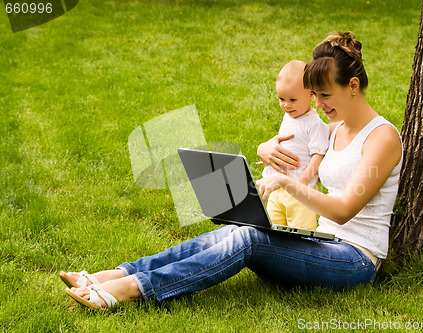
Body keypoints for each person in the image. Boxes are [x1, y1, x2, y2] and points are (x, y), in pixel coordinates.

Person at [60, 31, 403, 310]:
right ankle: (116, 274)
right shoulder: (333, 129)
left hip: (355, 260)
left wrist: (286, 181)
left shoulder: (382, 138)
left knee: (248, 238)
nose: (318, 105)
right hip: (322, 242)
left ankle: (133, 289)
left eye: (325, 95)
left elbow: (344, 211)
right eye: (314, 96)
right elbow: (291, 141)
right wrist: (262, 149)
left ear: (354, 86)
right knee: (239, 227)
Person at [262, 60, 329, 231]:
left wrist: (301, 183)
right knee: (273, 230)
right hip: (277, 189)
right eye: (281, 99)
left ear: (310, 95)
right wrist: (270, 162)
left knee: (301, 233)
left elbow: (317, 157)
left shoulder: (314, 124)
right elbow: (290, 146)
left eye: (292, 99)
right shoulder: (289, 117)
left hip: (301, 192)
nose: (286, 104)